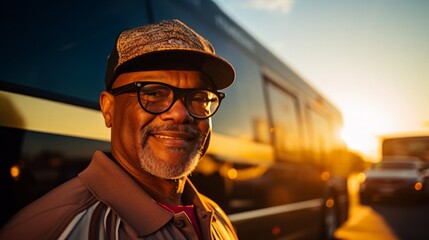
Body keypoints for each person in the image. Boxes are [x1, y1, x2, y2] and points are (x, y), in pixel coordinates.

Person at [0, 19, 238, 240]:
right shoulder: (51, 230)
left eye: (199, 98)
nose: (180, 113)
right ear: (108, 109)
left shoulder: (216, 216)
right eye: (153, 93)